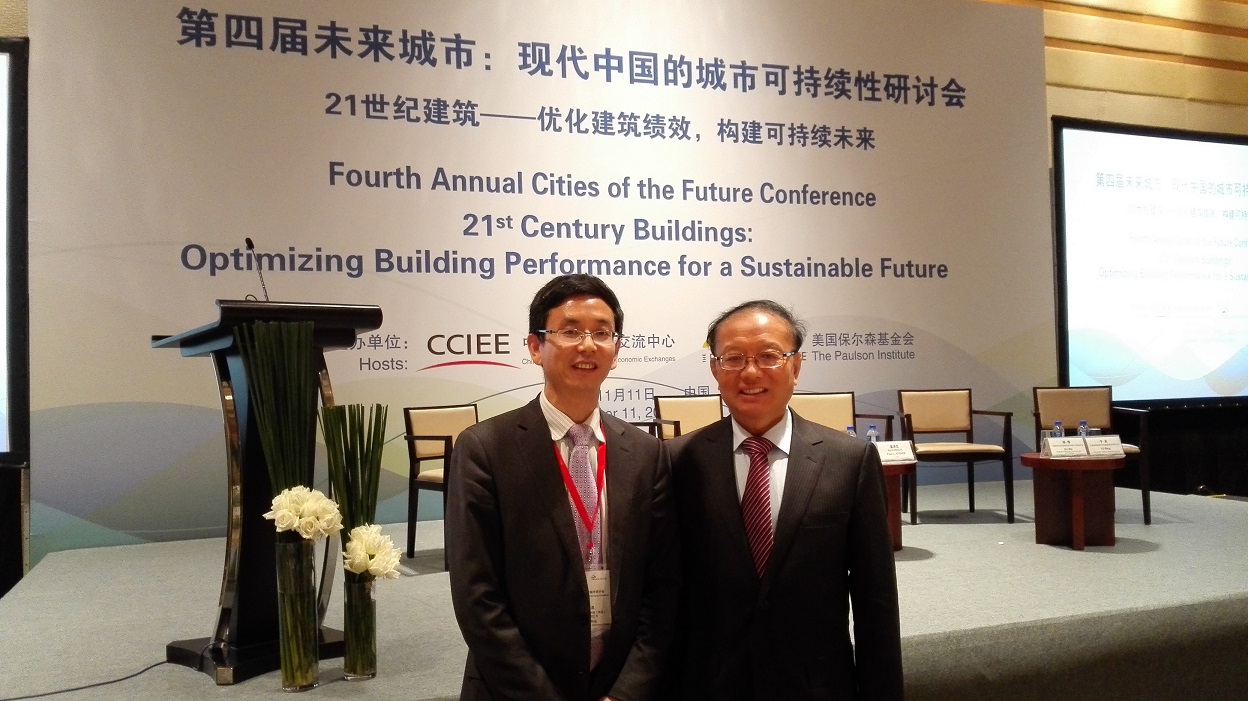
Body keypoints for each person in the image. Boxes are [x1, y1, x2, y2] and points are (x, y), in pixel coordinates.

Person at [447, 273, 679, 701]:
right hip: (515, 688)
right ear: (536, 347)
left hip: (615, 683)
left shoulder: (646, 453)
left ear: (616, 350)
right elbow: (476, 594)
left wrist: (627, 691)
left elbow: (662, 587)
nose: (587, 345)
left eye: (602, 333)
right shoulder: (485, 448)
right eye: (570, 331)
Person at [664, 300, 903, 700]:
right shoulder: (677, 461)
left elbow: (875, 599)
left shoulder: (849, 460)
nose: (750, 372)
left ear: (796, 366)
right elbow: (665, 594)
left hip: (816, 686)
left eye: (769, 356)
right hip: (710, 684)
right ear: (715, 369)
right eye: (733, 358)